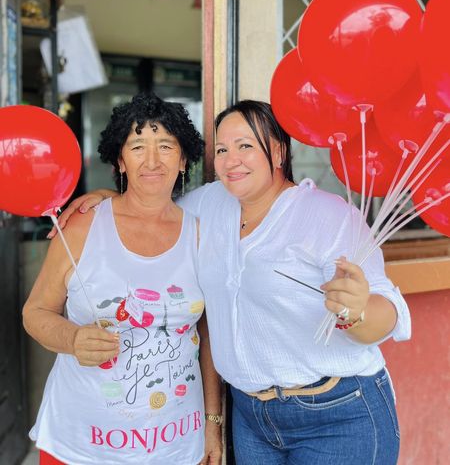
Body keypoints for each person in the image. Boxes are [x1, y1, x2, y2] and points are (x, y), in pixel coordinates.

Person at [55, 99, 411, 465]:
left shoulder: (327, 215)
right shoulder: (208, 205)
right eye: (223, 150)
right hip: (252, 419)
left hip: (337, 413)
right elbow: (149, 205)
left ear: (278, 152)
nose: (231, 160)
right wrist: (107, 198)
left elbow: (389, 314)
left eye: (245, 146)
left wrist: (358, 311)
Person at [23, 93, 223, 465]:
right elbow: (35, 312)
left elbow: (210, 333)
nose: (152, 160)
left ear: (183, 159)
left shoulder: (200, 234)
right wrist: (72, 339)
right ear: (120, 160)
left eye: (166, 146)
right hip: (81, 444)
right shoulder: (83, 226)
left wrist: (213, 422)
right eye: (137, 146)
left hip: (176, 445)